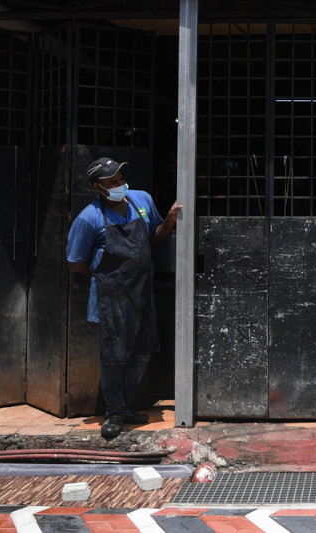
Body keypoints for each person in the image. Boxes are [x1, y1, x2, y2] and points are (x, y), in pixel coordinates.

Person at [66, 157, 181, 440]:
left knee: (141, 351)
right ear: (98, 187)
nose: (120, 185)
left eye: (120, 178)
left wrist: (169, 220)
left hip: (142, 291)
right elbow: (76, 263)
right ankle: (114, 412)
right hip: (110, 297)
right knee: (113, 358)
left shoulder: (140, 200)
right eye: (112, 182)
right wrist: (106, 269)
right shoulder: (88, 218)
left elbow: (154, 236)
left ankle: (126, 406)